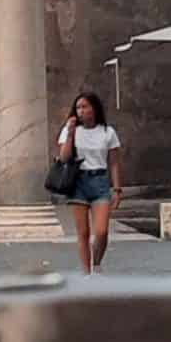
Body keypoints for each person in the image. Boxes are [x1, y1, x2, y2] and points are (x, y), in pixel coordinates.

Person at [55, 89, 123, 274]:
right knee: (83, 233)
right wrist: (69, 133)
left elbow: (115, 162)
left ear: (94, 109)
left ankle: (97, 262)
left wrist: (117, 189)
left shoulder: (108, 132)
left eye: (85, 106)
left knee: (101, 231)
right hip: (78, 182)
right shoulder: (71, 131)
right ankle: (86, 272)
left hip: (100, 180)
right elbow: (63, 157)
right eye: (77, 107)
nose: (80, 111)